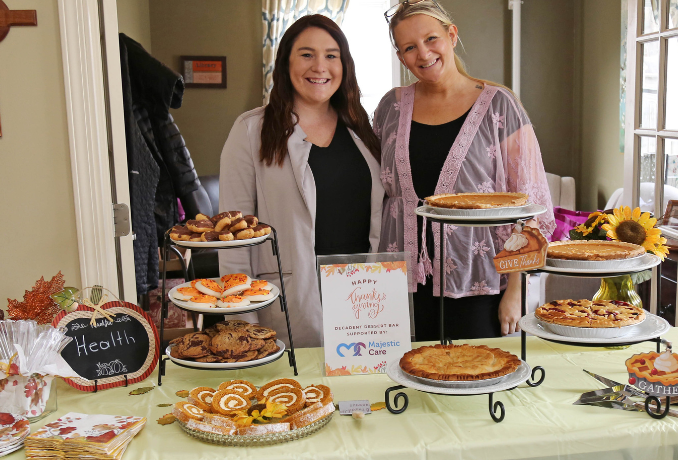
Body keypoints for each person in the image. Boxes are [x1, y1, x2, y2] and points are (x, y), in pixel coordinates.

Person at [374, 0, 555, 340]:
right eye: (409, 47)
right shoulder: (390, 107)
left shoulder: (500, 105)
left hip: (480, 282)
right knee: (404, 383)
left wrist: (515, 292)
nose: (423, 54)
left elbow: (530, 205)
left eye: (431, 39)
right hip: (400, 283)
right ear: (400, 56)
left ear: (452, 35)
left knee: (473, 382)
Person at [219, 15, 384, 348]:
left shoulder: (364, 130)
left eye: (331, 55)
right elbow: (232, 237)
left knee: (360, 398)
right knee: (292, 396)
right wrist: (241, 326)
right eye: (307, 54)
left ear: (344, 65)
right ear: (286, 63)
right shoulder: (251, 131)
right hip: (285, 303)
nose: (319, 66)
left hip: (363, 299)